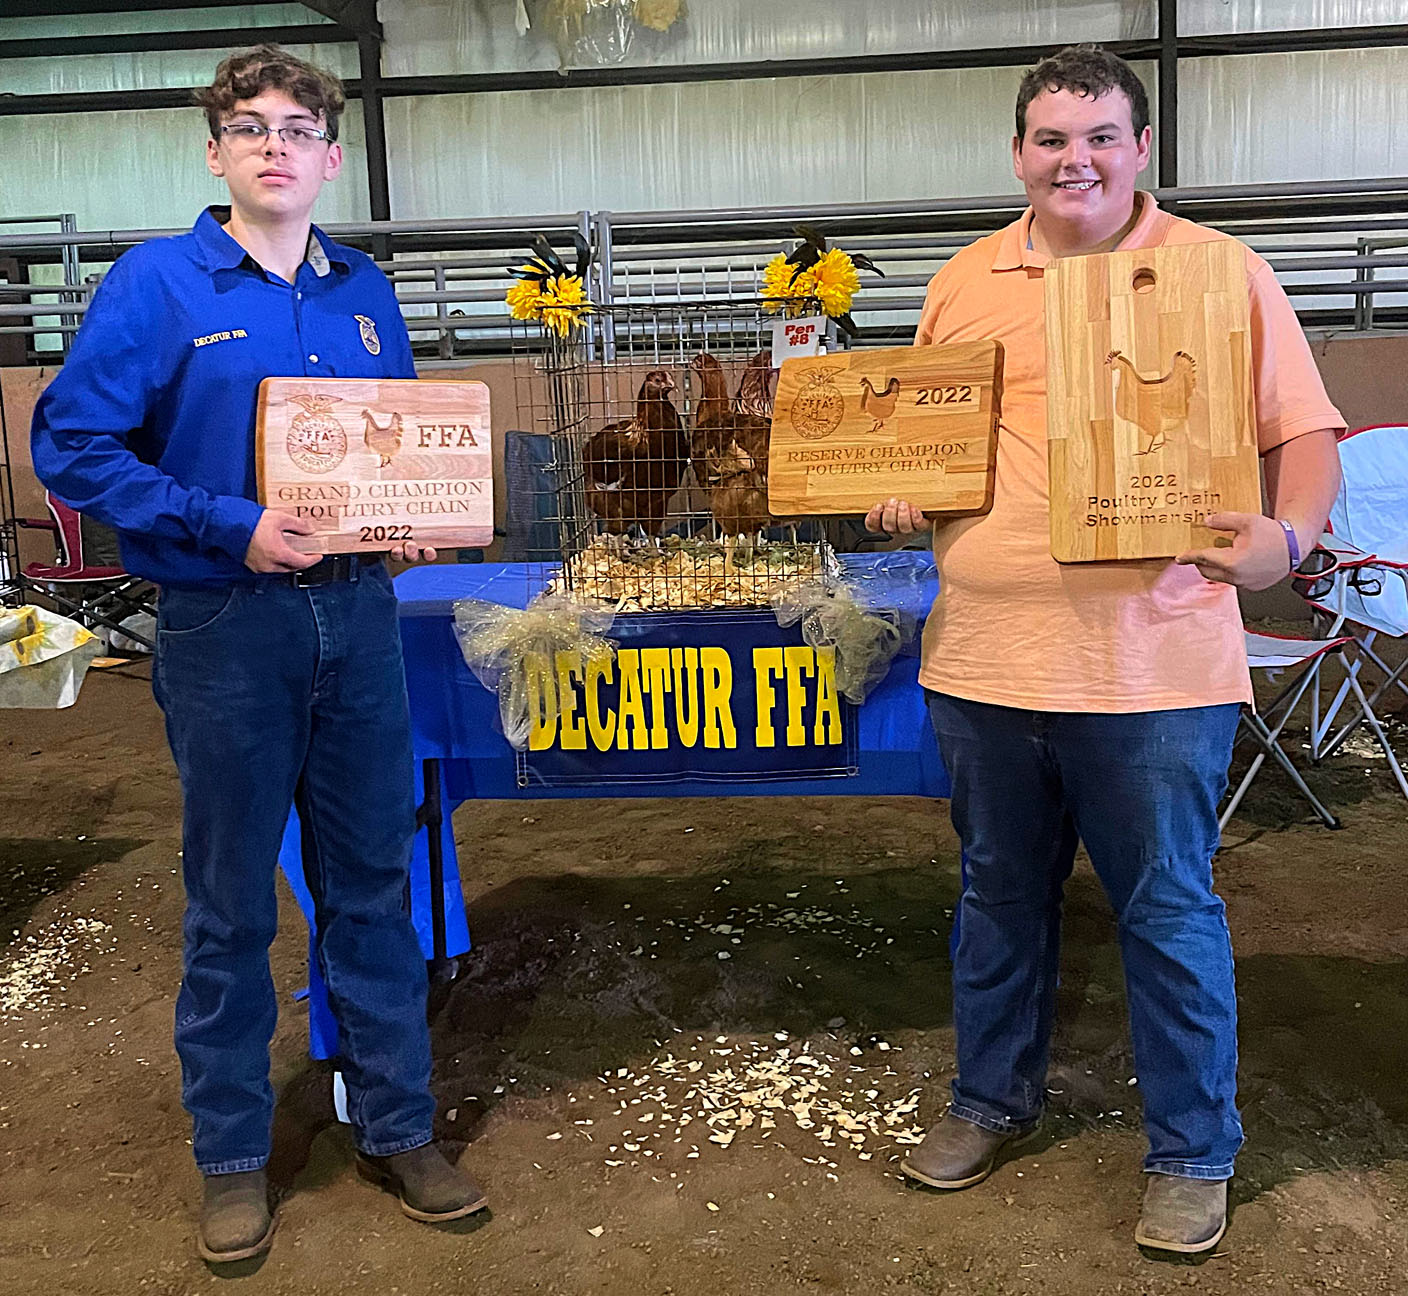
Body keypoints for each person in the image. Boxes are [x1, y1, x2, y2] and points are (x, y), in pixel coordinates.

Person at [867, 45, 1343, 1254]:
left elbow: (1305, 432)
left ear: (1139, 149)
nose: (1072, 160)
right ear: (1018, 151)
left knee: (1166, 906)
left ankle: (1192, 1150)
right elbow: (931, 440)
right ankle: (988, 1101)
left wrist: (1284, 539)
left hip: (1152, 663)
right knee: (995, 896)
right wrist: (900, 493)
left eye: (1098, 137)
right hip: (981, 658)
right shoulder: (965, 279)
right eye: (1048, 139)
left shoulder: (1216, 271)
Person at [31, 45, 487, 1263]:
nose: (276, 145)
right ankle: (232, 1156)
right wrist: (231, 524)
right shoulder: (156, 287)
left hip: (359, 621)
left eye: (298, 128)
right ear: (217, 150)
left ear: (330, 157)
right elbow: (71, 446)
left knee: (373, 885)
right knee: (230, 901)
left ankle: (397, 1124)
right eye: (252, 126)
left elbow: (385, 449)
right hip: (226, 625)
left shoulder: (362, 292)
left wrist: (404, 522)